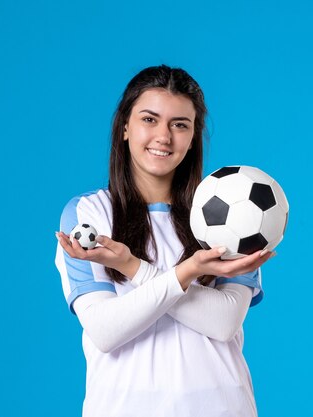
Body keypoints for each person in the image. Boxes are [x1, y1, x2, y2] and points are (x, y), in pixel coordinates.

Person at [54, 65, 275, 417]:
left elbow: (223, 323)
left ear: (193, 137)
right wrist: (186, 273)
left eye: (180, 124)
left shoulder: (233, 213)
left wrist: (133, 267)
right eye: (149, 119)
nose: (164, 136)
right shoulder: (89, 214)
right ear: (125, 126)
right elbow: (106, 330)